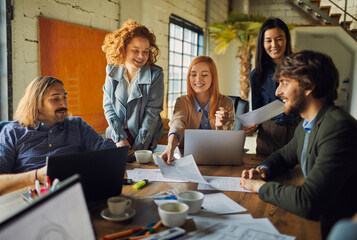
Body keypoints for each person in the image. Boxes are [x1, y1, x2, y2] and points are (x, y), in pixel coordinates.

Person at [240, 50, 357, 239]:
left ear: (308, 86)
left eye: (284, 84)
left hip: (330, 229)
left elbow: (308, 201)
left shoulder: (338, 128)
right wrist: (264, 169)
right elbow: (283, 156)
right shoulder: (307, 124)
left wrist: (259, 187)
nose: (278, 92)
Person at [0, 77, 116, 194]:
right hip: (31, 199)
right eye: (55, 99)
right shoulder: (12, 132)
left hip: (76, 193)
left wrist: (117, 146)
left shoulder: (76, 125)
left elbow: (106, 153)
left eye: (64, 97)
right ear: (36, 104)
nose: (64, 104)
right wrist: (36, 175)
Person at [102, 19, 164, 158]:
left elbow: (152, 114)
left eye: (146, 51)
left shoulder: (156, 74)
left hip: (144, 140)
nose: (141, 56)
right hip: (116, 139)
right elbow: (108, 107)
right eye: (135, 51)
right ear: (123, 49)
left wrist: (139, 148)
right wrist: (119, 138)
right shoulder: (112, 69)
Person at [161, 56, 235, 164]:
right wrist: (170, 147)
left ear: (213, 78)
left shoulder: (226, 103)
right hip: (188, 160)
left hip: (218, 161)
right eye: (193, 74)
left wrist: (219, 126)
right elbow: (177, 123)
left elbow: (225, 144)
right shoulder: (182, 101)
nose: (198, 79)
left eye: (204, 75)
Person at [244, 18, 300, 155]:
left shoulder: (300, 67)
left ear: (286, 39)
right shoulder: (256, 75)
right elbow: (257, 110)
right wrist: (251, 126)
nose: (274, 45)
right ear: (262, 43)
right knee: (265, 172)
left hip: (298, 131)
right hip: (268, 135)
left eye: (279, 39)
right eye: (268, 40)